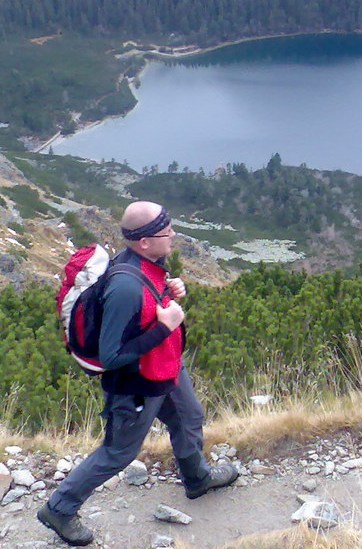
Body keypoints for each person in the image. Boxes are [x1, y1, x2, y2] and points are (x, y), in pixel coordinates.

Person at [38, 201, 238, 546]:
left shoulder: (147, 264)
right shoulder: (125, 286)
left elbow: (147, 309)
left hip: (165, 368)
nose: (173, 234)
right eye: (166, 231)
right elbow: (112, 355)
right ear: (143, 241)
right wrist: (166, 327)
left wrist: (171, 291)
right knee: (118, 452)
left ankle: (197, 479)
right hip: (136, 385)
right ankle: (59, 508)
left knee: (189, 416)